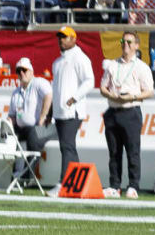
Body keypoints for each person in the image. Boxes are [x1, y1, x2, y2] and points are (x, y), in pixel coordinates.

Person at [99, 31, 154, 198]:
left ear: (137, 45)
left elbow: (149, 91)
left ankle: (133, 185)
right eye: (123, 41)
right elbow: (103, 87)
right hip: (114, 109)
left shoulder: (141, 67)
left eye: (130, 42)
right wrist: (110, 95)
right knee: (114, 152)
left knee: (132, 151)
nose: (126, 45)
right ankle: (114, 185)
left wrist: (133, 96)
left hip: (131, 111)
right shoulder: (112, 65)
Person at [50, 25, 96, 188]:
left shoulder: (80, 58)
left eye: (65, 37)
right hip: (60, 111)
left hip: (73, 111)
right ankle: (77, 183)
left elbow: (90, 80)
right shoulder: (57, 62)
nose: (61, 40)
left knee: (67, 146)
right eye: (60, 37)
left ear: (74, 39)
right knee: (68, 147)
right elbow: (55, 88)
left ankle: (64, 182)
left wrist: (74, 98)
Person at [8, 57, 53, 184]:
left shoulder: (38, 82)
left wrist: (43, 117)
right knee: (8, 136)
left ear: (31, 72)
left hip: (47, 127)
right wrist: (8, 124)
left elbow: (49, 95)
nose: (21, 73)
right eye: (18, 71)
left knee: (33, 135)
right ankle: (10, 174)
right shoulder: (16, 92)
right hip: (25, 128)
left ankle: (29, 176)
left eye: (24, 70)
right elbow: (12, 115)